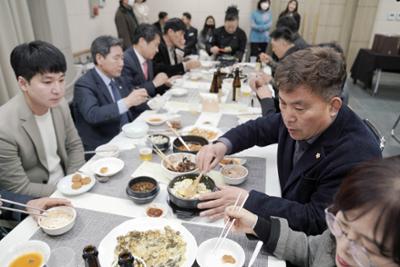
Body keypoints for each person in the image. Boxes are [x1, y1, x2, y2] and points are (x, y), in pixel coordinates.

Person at [196, 47, 382, 235]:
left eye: (299, 108)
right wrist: (222, 145)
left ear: (333, 106)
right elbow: (258, 129)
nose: (288, 117)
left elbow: (316, 220)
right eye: (283, 103)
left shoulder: (356, 157)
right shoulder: (294, 117)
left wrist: (248, 200)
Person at [225, 156, 400, 267]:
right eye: (342, 226)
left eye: (367, 248)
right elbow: (311, 252)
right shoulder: (335, 240)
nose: (344, 248)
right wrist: (258, 225)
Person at [0, 41, 85, 198]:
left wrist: (74, 181)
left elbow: (74, 145)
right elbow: (18, 187)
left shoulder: (61, 105)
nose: (58, 90)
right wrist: (65, 191)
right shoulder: (4, 127)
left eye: (61, 80)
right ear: (23, 83)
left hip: (69, 184)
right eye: (47, 82)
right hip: (38, 201)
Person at [73, 36, 149, 153]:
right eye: (116, 58)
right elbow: (93, 114)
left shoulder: (117, 78)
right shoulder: (84, 84)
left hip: (127, 137)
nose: (122, 63)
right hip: (104, 147)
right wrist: (127, 102)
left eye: (122, 58)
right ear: (99, 58)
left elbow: (134, 103)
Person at [122, 24, 170, 96]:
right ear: (142, 42)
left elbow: (150, 87)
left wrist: (164, 83)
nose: (157, 50)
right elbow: (129, 92)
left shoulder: (147, 57)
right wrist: (154, 83)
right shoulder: (125, 60)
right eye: (155, 45)